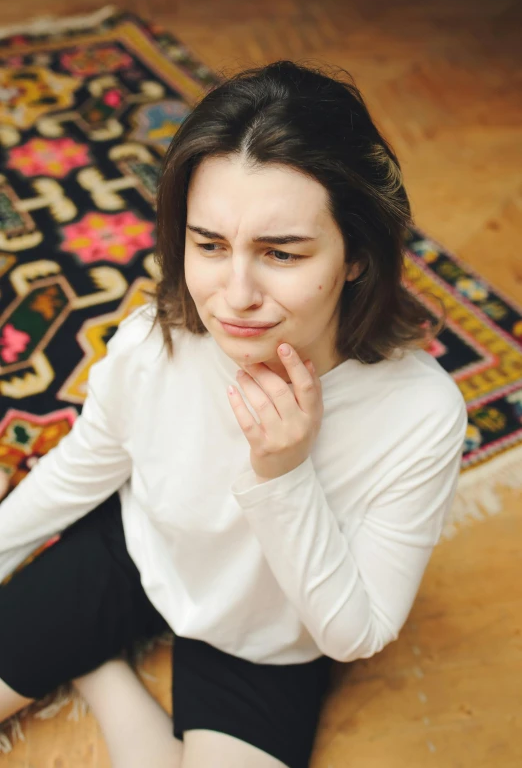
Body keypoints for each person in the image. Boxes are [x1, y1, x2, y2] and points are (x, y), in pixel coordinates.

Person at [0, 60, 468, 768]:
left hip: (275, 629)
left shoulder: (422, 414)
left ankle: (93, 663)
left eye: (280, 252)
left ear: (356, 258)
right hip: (138, 553)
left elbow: (357, 630)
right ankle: (85, 641)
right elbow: (79, 468)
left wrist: (283, 474)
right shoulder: (151, 344)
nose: (234, 295)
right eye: (209, 244)